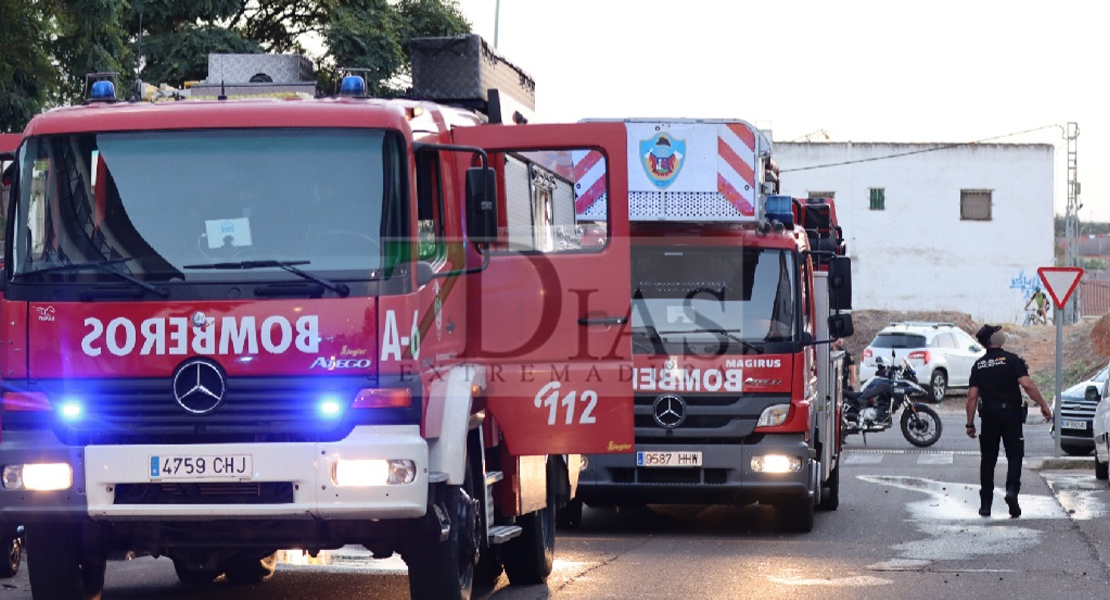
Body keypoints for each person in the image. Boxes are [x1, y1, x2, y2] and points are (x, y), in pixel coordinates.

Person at [965, 324, 1052, 518]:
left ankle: (986, 505)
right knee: (1014, 455)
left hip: (988, 416)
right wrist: (1044, 405)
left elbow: (971, 397)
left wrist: (970, 423)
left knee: (988, 459)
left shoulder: (978, 365)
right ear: (993, 339)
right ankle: (1012, 492)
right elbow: (1026, 384)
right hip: (1011, 415)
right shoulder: (1012, 360)